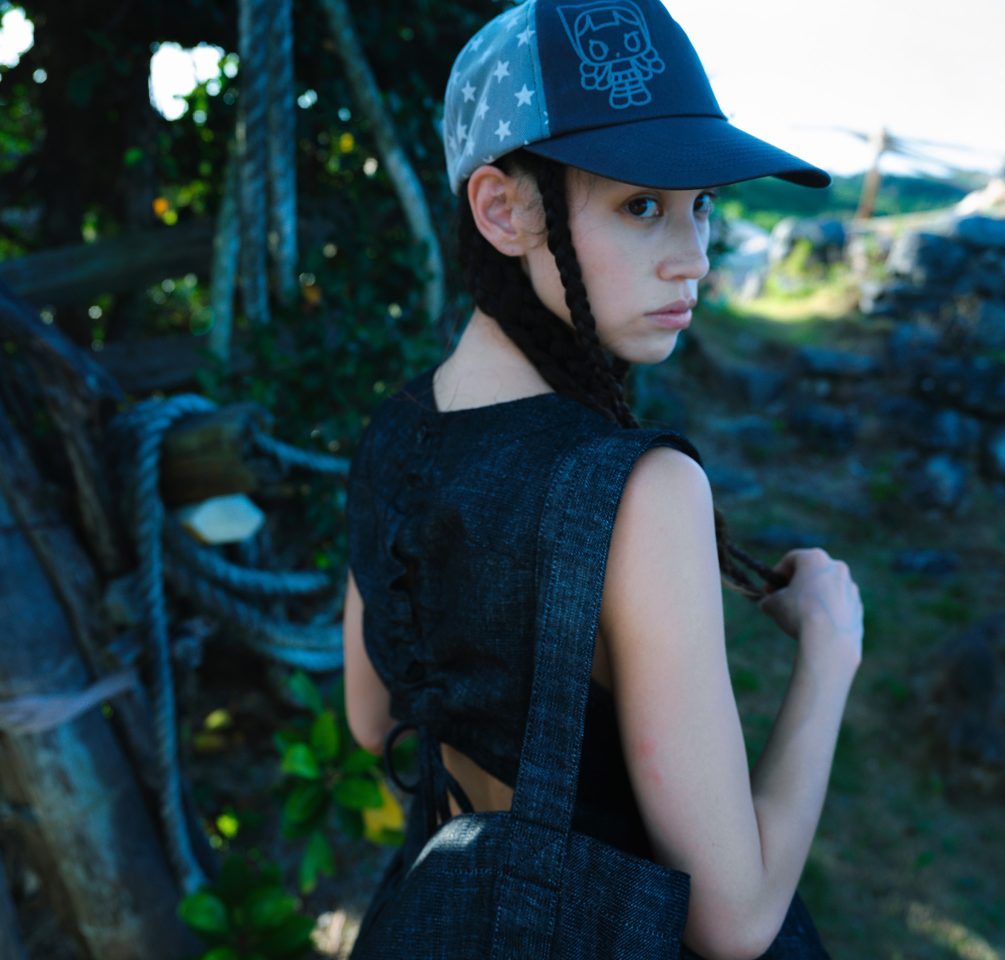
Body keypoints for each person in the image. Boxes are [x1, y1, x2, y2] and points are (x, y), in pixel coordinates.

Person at [341, 1, 863, 956]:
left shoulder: (392, 435)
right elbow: (735, 919)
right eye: (641, 206)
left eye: (702, 205)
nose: (694, 258)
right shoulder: (639, 492)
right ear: (504, 210)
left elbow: (372, 720)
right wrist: (829, 651)